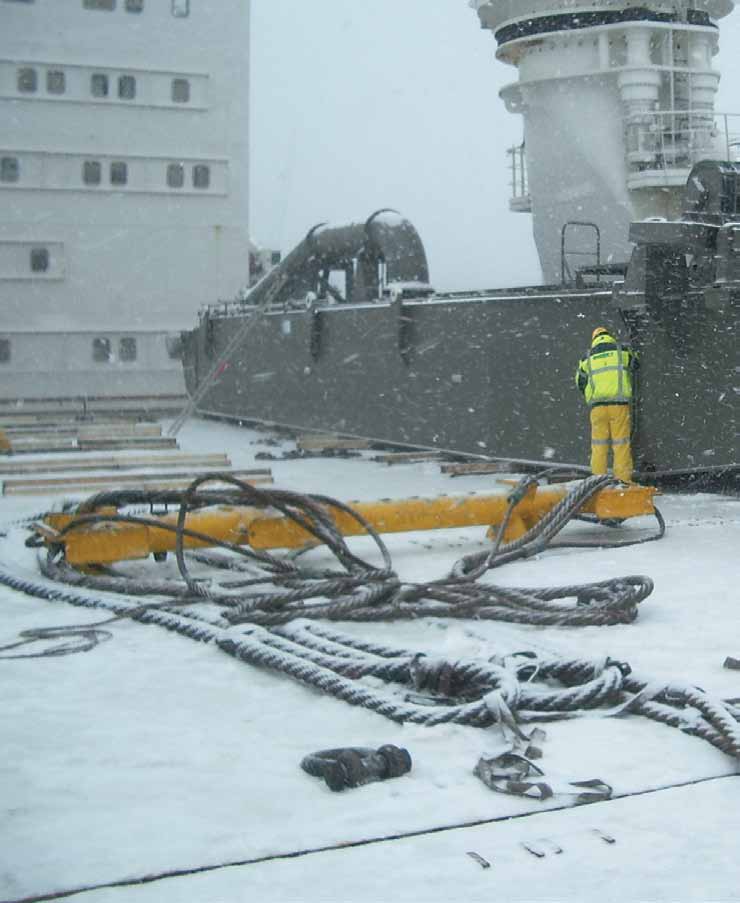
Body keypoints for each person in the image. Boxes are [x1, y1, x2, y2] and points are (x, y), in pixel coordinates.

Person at [575, 326, 638, 483]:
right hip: (619, 406)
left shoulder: (586, 357)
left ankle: (597, 481)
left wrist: (591, 394)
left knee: (598, 446)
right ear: (609, 336)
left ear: (594, 339)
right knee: (621, 444)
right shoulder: (621, 351)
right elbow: (635, 364)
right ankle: (623, 481)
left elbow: (579, 382)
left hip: (597, 408)